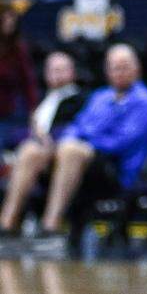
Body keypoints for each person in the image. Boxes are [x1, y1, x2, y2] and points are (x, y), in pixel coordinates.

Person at [24, 44, 147, 251]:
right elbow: (77, 126)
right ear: (107, 71)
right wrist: (63, 143)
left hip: (118, 170)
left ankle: (51, 227)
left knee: (71, 150)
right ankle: (8, 225)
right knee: (32, 150)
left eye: (125, 66)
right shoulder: (100, 97)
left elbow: (121, 143)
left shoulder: (145, 101)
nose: (120, 71)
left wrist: (86, 141)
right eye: (114, 67)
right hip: (86, 163)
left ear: (137, 68)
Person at [0, 51, 85, 240]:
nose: (58, 75)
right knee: (26, 151)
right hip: (34, 153)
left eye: (62, 70)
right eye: (53, 70)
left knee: (30, 151)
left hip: (61, 155)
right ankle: (7, 225)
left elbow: (79, 129)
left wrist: (45, 138)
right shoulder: (41, 100)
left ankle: (49, 227)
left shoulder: (80, 99)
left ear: (73, 73)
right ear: (46, 74)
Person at [0, 6, 37, 125]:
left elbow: (28, 81)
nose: (10, 22)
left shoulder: (19, 49)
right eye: (5, 18)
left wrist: (33, 109)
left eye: (12, 18)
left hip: (7, 108)